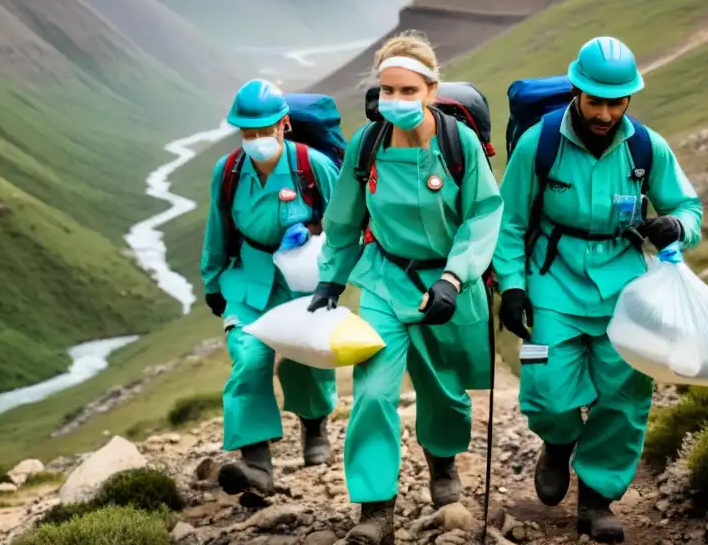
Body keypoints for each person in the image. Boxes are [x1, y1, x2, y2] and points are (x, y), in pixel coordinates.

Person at [493, 36, 703, 543]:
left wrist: (676, 227)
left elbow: (688, 208)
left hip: (623, 287)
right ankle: (558, 443)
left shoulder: (646, 148)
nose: (605, 112)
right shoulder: (537, 144)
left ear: (629, 98)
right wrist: (513, 287)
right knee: (546, 391)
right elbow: (511, 223)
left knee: (624, 393)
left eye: (617, 101)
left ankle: (596, 499)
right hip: (552, 280)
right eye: (595, 101)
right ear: (577, 92)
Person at [306, 32, 504, 545]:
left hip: (446, 285)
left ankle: (442, 464)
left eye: (407, 91)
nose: (395, 101)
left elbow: (483, 216)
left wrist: (454, 278)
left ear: (431, 90)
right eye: (387, 91)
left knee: (444, 391)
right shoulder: (366, 145)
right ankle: (375, 511)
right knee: (372, 393)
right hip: (384, 280)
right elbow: (344, 218)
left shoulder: (457, 146)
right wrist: (331, 277)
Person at [200, 79, 340, 497]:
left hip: (304, 280)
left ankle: (314, 427)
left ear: (284, 124)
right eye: (248, 132)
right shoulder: (227, 173)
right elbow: (217, 229)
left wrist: (315, 231)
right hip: (248, 277)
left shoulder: (313, 167)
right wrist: (213, 283)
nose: (257, 139)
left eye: (265, 130)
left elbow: (347, 224)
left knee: (305, 359)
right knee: (248, 358)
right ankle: (256, 463)